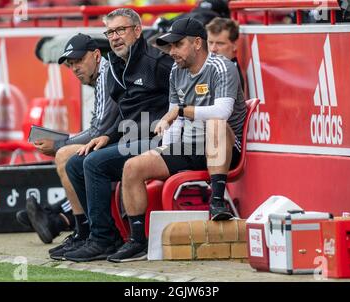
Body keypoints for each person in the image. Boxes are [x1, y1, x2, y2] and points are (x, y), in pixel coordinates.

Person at [107, 17, 246, 263]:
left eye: (177, 45)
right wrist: (165, 147)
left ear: (196, 43)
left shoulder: (222, 67)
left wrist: (181, 111)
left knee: (215, 124)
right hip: (189, 146)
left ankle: (217, 203)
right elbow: (175, 119)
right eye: (169, 46)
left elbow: (221, 113)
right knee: (132, 167)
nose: (171, 52)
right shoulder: (176, 70)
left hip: (224, 146)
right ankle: (138, 241)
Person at [62, 8, 173, 262]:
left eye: (121, 30)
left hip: (160, 142)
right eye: (110, 32)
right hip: (129, 139)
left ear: (137, 30)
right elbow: (126, 116)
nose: (115, 37)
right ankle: (103, 235)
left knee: (94, 163)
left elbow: (182, 102)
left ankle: (103, 240)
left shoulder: (158, 63)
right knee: (76, 163)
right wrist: (108, 136)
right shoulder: (116, 66)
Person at [23, 33, 119, 261]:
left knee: (66, 155)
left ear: (96, 55)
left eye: (79, 61)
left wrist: (59, 144)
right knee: (69, 154)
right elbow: (99, 128)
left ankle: (88, 232)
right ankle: (81, 230)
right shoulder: (101, 77)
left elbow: (98, 131)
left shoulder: (107, 74)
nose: (75, 68)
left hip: (132, 139)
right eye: (70, 64)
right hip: (123, 137)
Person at [206, 17, 244, 91]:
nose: (213, 49)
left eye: (220, 44)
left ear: (235, 45)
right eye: (210, 42)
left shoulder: (230, 75)